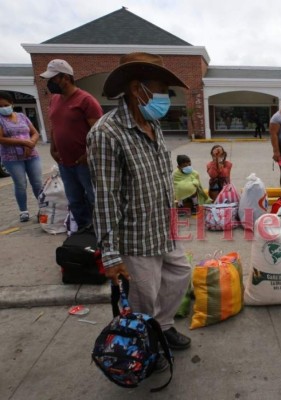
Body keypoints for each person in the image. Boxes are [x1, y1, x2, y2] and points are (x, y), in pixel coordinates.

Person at [87, 52, 193, 361]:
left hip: (162, 228)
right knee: (143, 298)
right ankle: (147, 346)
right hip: (134, 237)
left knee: (179, 273)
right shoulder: (106, 133)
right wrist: (110, 255)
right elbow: (105, 196)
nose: (164, 98)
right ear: (137, 88)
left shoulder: (152, 124)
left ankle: (162, 325)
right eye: (160, 89)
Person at [40, 59, 103, 230]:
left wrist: (89, 154)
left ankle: (102, 232)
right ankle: (84, 229)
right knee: (74, 199)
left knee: (93, 197)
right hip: (64, 162)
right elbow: (55, 125)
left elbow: (99, 132)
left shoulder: (86, 100)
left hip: (84, 163)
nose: (49, 83)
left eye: (53, 78)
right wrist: (53, 148)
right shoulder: (54, 100)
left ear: (66, 77)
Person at [0, 91, 43, 222]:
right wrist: (23, 142)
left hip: (31, 155)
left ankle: (43, 207)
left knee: (37, 182)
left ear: (12, 104)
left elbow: (34, 132)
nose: (3, 108)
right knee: (20, 184)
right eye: (0, 106)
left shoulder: (22, 116)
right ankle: (23, 211)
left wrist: (31, 144)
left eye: (5, 105)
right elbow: (1, 139)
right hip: (11, 158)